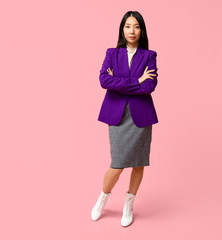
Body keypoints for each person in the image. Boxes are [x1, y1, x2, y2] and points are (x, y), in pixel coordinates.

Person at [91, 11, 159, 227]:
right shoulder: (112, 53)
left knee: (139, 162)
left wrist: (119, 82)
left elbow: (150, 86)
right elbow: (103, 80)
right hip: (118, 115)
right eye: (128, 26)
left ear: (142, 30)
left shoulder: (149, 55)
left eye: (136, 26)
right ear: (122, 28)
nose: (132, 31)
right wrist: (136, 81)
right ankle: (103, 197)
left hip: (141, 116)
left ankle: (129, 202)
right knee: (118, 164)